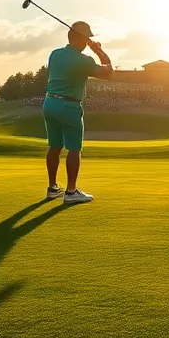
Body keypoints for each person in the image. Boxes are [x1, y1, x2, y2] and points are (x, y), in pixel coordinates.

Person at [43, 21, 112, 204]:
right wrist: (98, 51)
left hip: (49, 103)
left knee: (55, 146)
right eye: (87, 38)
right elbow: (108, 71)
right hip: (69, 106)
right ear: (80, 38)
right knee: (74, 148)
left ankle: (52, 188)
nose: (88, 41)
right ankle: (71, 192)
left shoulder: (55, 54)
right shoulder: (84, 61)